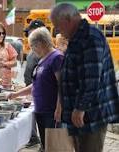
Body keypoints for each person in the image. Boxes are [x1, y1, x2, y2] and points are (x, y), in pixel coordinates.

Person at [50, 3, 119, 152]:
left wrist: (80, 108)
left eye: (57, 26)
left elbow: (92, 79)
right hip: (81, 113)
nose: (57, 30)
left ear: (66, 20)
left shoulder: (90, 38)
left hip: (91, 113)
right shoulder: (78, 37)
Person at [8, 27, 64, 152]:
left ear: (41, 43)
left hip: (51, 112)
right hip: (41, 111)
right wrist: (16, 94)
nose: (32, 49)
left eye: (32, 45)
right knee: (46, 146)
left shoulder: (56, 57)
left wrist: (59, 108)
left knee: (55, 147)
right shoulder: (43, 59)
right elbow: (36, 84)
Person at [23, 19, 45, 148]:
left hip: (39, 91)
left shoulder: (44, 51)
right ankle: (35, 139)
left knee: (41, 119)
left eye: (30, 32)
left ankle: (44, 144)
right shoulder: (33, 49)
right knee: (34, 117)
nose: (28, 35)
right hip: (31, 89)